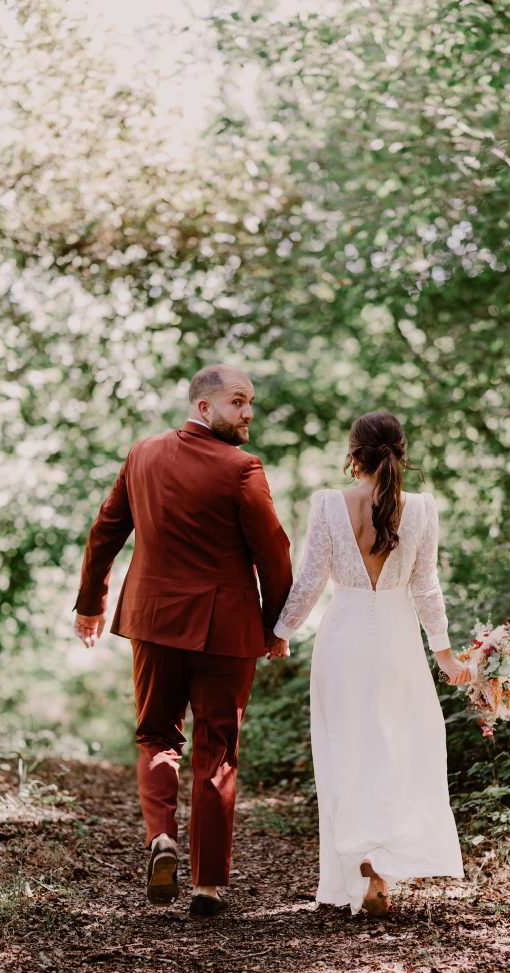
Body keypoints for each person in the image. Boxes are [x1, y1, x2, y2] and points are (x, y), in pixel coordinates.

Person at [73, 365, 293, 918]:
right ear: (203, 408)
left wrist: (92, 602)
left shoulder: (142, 455)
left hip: (152, 621)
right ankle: (208, 886)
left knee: (155, 735)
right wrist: (275, 626)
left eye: (251, 403)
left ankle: (161, 840)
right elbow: (274, 553)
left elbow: (105, 531)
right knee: (216, 750)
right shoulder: (243, 469)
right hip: (225, 631)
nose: (248, 413)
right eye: (238, 402)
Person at [272, 411, 470, 917]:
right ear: (401, 452)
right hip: (400, 641)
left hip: (343, 639)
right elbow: (426, 588)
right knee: (397, 750)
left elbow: (311, 580)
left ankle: (356, 857)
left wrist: (280, 633)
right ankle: (379, 868)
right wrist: (444, 655)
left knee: (346, 750)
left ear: (353, 454)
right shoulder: (422, 509)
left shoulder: (329, 505)